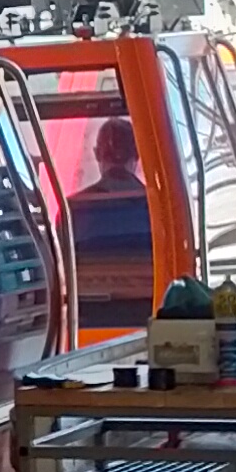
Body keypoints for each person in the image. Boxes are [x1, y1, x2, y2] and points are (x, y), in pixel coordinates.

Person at [69, 110, 159, 330]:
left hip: (86, 318)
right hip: (147, 314)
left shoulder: (73, 209)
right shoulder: (158, 208)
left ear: (97, 154)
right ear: (137, 155)